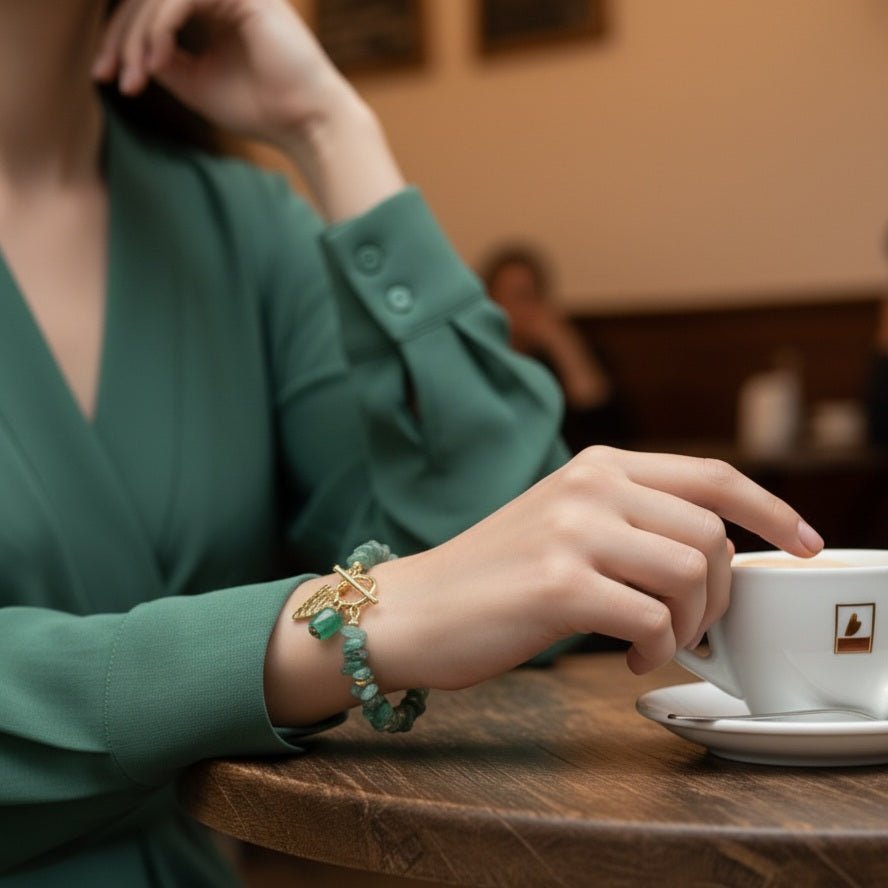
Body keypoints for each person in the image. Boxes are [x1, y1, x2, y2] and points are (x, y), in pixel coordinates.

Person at [0, 1, 824, 884]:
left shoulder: (239, 226)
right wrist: (356, 620)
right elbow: (426, 595)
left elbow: (510, 575)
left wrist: (329, 124)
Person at [482, 244, 631, 451]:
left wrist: (563, 347)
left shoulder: (557, 352)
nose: (512, 307)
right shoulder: (476, 356)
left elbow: (606, 429)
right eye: (503, 296)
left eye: (525, 296)